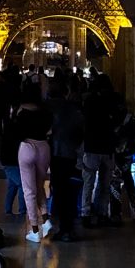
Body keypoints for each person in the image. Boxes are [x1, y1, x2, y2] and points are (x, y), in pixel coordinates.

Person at [14, 83, 53, 242]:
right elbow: (50, 130)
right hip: (44, 147)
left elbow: (16, 131)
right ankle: (46, 220)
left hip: (27, 147)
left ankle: (35, 230)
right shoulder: (45, 110)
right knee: (39, 186)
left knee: (29, 191)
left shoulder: (21, 110)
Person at [47, 80, 84, 241]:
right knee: (70, 192)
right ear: (66, 92)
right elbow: (81, 129)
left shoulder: (48, 108)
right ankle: (68, 228)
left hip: (54, 154)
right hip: (70, 155)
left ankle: (62, 227)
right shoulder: (73, 110)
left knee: (59, 191)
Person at [81, 73, 117, 228]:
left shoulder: (89, 101)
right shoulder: (112, 101)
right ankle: (102, 213)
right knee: (105, 183)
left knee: (88, 182)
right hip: (107, 147)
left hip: (91, 147)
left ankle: (85, 214)